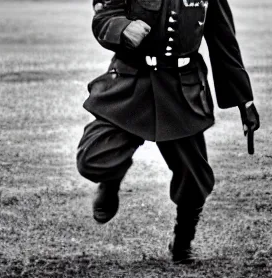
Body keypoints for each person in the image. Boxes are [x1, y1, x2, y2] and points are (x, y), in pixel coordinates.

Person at [76, 0, 260, 264]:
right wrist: (122, 29)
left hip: (181, 90)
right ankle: (111, 181)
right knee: (94, 157)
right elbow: (104, 17)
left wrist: (246, 102)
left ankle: (182, 244)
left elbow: (222, 39)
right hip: (132, 80)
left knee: (195, 180)